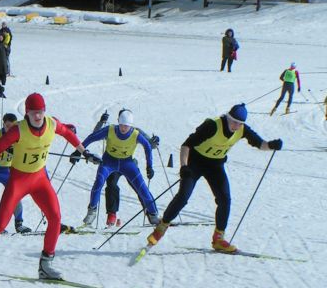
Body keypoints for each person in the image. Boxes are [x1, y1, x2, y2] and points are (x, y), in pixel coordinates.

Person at [0, 93, 99, 284]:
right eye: (33, 113)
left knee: (55, 218)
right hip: (19, 180)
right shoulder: (18, 130)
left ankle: (46, 265)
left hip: (39, 180)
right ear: (27, 114)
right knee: (0, 224)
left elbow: (68, 134)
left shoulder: (52, 123)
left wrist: (85, 152)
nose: (37, 116)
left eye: (40, 112)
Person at [146, 103, 283, 253]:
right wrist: (184, 167)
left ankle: (219, 238)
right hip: (195, 162)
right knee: (183, 196)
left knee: (225, 199)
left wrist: (271, 145)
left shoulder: (242, 129)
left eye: (240, 123)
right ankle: (161, 227)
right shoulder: (212, 125)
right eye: (234, 121)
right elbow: (186, 145)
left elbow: (260, 144)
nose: (236, 126)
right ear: (228, 117)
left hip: (215, 166)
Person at [75, 109, 160, 227]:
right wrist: (79, 152)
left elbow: (148, 145)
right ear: (118, 121)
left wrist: (149, 166)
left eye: (126, 126)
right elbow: (93, 136)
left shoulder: (136, 133)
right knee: (103, 183)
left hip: (128, 163)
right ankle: (93, 212)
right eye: (121, 125)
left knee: (141, 187)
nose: (123, 128)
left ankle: (153, 214)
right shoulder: (111, 129)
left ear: (130, 124)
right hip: (109, 162)